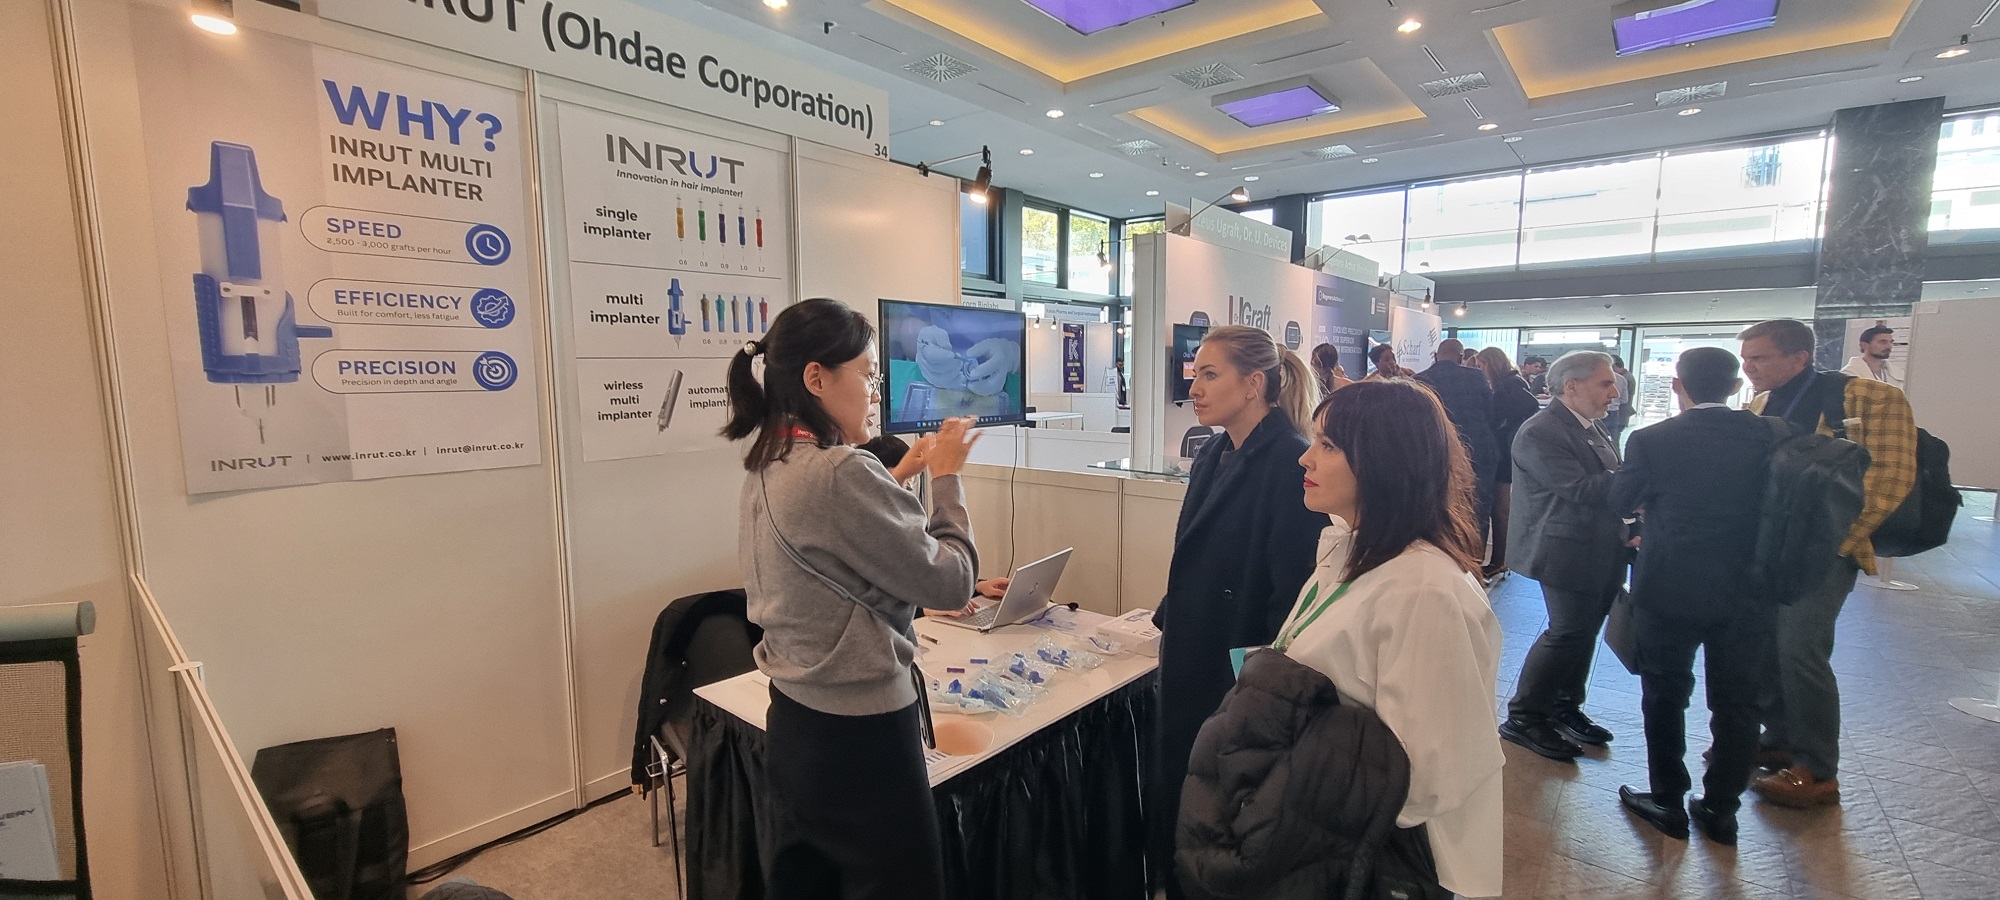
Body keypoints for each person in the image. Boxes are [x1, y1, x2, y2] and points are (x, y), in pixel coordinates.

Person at [724, 298, 982, 898]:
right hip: (862, 735)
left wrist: (897, 475)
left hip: (797, 722)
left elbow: (835, 546)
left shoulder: (771, 460)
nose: (874, 393)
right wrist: (946, 476)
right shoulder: (840, 471)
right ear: (816, 378)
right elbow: (952, 581)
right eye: (867, 375)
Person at [1284, 381, 1505, 897]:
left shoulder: (1424, 589)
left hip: (1386, 858)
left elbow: (1424, 777)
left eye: (1328, 445)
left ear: (1384, 461)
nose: (1305, 459)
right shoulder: (1353, 550)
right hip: (1333, 832)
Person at [1152, 324, 1326, 898]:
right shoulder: (1214, 452)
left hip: (1238, 674)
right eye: (1194, 373)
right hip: (1192, 656)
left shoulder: (1292, 462)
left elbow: (1290, 595)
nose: (1194, 388)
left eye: (1210, 374)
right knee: (1186, 801)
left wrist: (1256, 682)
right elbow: (1196, 558)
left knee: (1221, 818)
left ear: (1254, 383)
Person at [1739, 319, 1917, 808]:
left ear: (1799, 357)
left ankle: (1817, 770)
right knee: (1766, 644)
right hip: (1768, 544)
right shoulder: (1759, 404)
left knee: (1801, 649)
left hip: (1825, 549)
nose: (1749, 368)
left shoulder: (1871, 400)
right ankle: (1779, 739)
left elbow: (1890, 478)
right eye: (1746, 358)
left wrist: (1837, 543)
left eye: (1760, 358)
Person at [1609, 348, 1779, 845]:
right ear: (1736, 386)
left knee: (1665, 693)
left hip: (1670, 583)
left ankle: (1667, 800)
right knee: (1738, 702)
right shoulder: (1770, 435)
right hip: (1748, 586)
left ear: (1677, 385)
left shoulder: (1653, 439)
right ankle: (1722, 808)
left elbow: (1620, 500)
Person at [1499, 350, 1626, 762]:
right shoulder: (1541, 431)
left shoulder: (1589, 425)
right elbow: (1579, 488)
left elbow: (1608, 479)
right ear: (1572, 386)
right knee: (1567, 631)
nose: (1614, 391)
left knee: (1584, 630)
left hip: (1597, 544)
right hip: (1562, 547)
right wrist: (1639, 475)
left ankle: (1563, 705)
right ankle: (1524, 716)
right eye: (1605, 383)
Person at [1415, 339, 1499, 544]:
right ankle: (1474, 559)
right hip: (1479, 450)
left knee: (1439, 508)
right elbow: (1491, 413)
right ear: (1461, 358)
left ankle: (1445, 555)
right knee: (1478, 509)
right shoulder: (1476, 377)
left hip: (1438, 451)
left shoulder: (1420, 380)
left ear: (1436, 356)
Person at [1474, 347, 1540, 580]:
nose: (1480, 370)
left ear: (1491, 364)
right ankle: (1500, 559)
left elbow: (1527, 407)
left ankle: (1500, 560)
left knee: (1500, 508)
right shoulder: (1511, 382)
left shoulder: (1509, 385)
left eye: (1481, 365)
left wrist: (1505, 425)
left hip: (1503, 451)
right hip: (1504, 449)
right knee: (1499, 507)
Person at [1841, 325, 1905, 390]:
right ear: (1864, 345)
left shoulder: (1897, 373)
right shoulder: (1850, 373)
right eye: (1883, 342)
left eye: (1891, 342)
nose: (1889, 346)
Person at [1608, 356, 1634, 443]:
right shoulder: (1624, 378)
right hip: (1617, 412)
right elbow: (1624, 399)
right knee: (1614, 439)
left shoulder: (1624, 378)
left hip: (1615, 413)